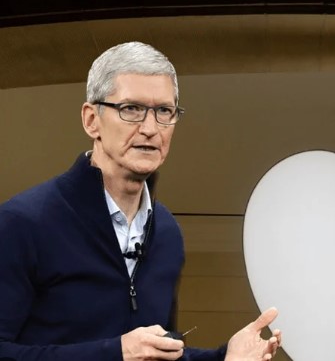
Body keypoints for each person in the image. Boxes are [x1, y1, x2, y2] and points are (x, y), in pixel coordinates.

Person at [0, 42, 282, 361]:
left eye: (164, 111)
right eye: (131, 109)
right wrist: (115, 352)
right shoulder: (22, 223)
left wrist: (224, 357)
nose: (150, 129)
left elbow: (158, 353)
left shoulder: (167, 232)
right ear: (91, 120)